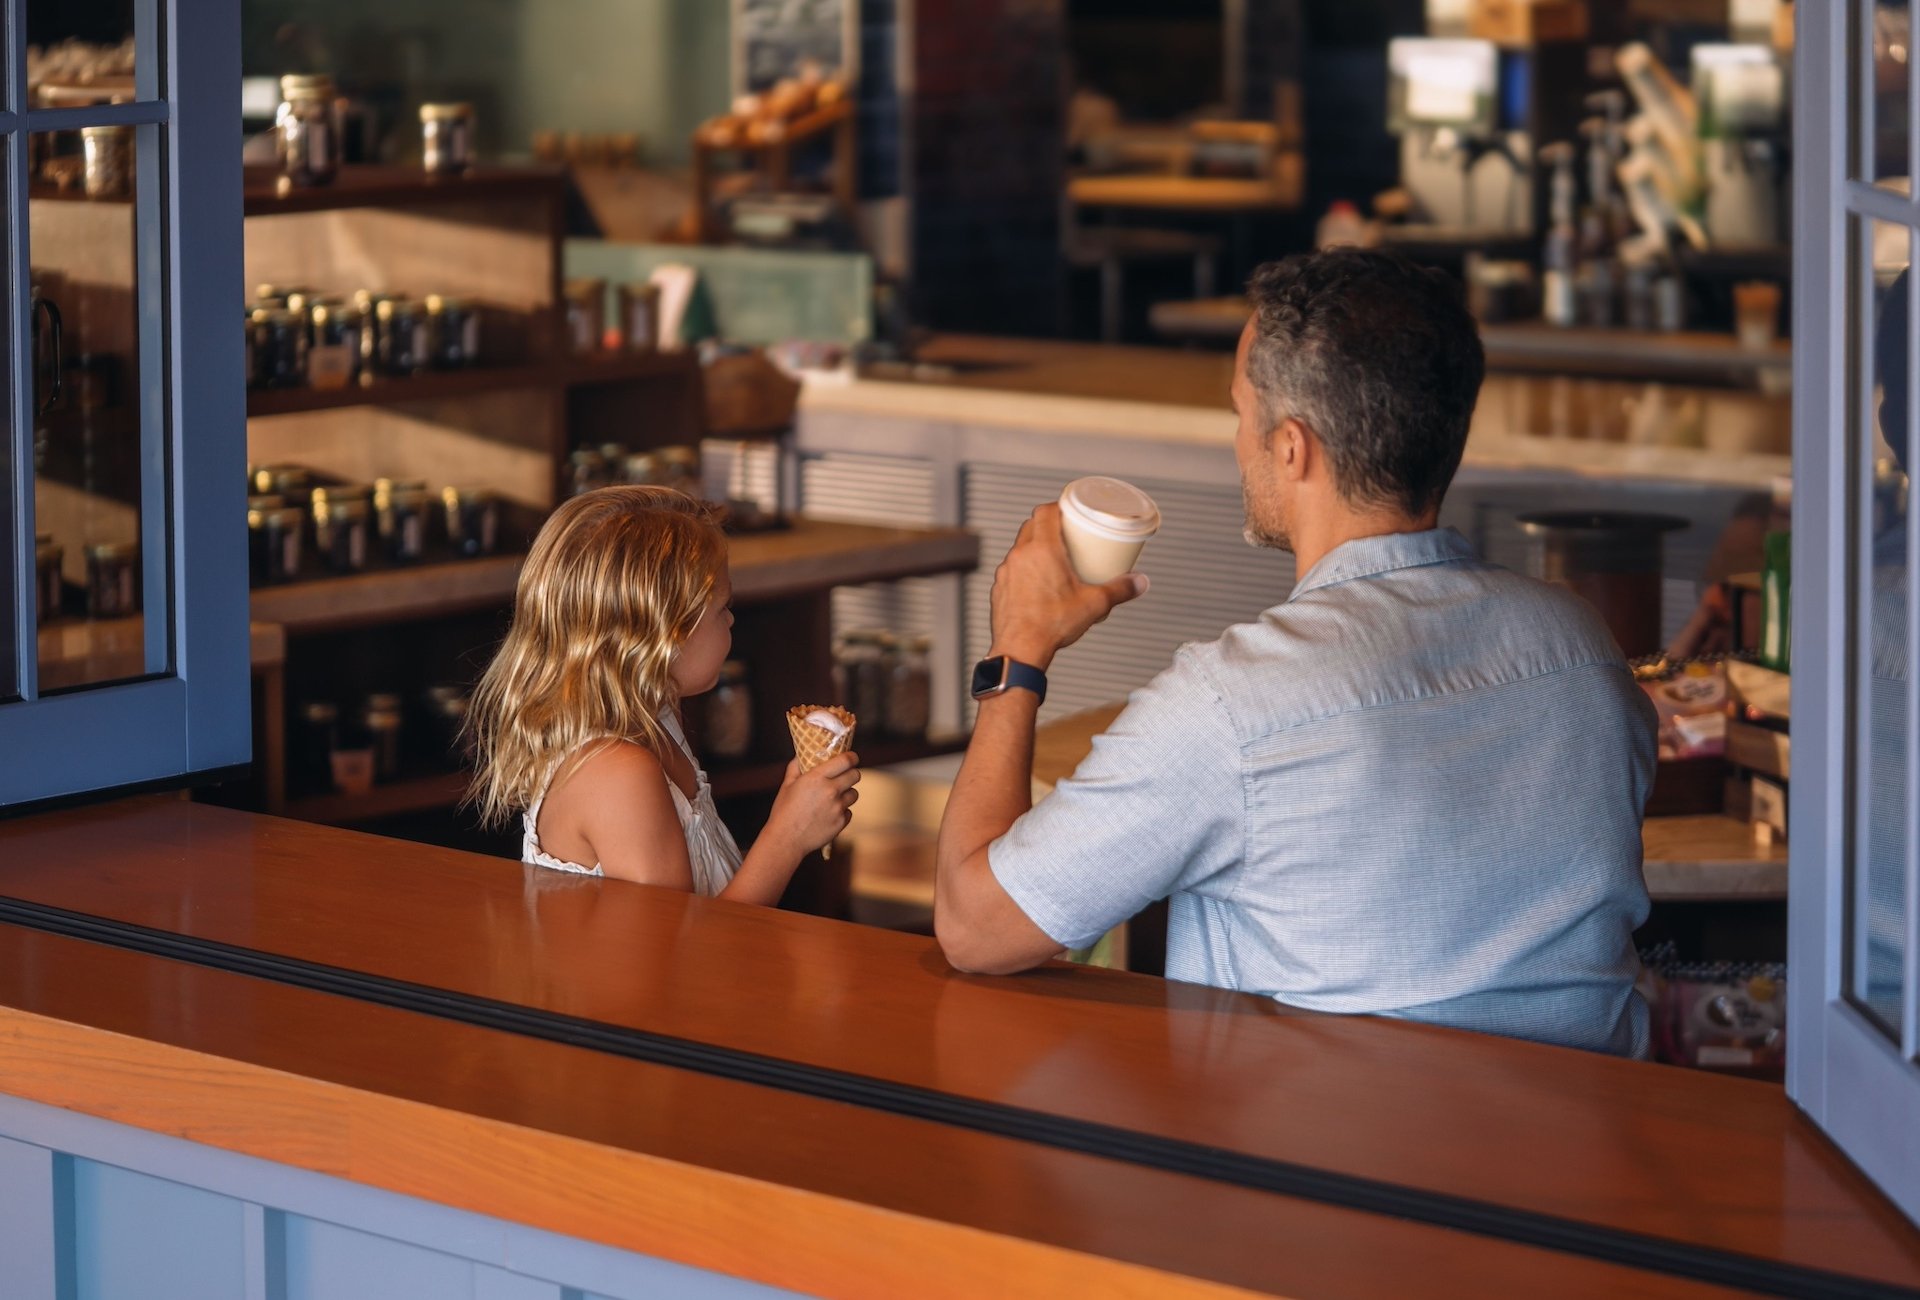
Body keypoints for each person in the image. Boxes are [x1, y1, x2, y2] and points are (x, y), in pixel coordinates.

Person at [935, 248, 1659, 1057]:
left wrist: (1018, 656)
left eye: (1241, 413)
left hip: (1324, 1173)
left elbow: (975, 927)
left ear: (1291, 447)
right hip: (1581, 1159)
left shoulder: (1234, 704)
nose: (1235, 440)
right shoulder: (1584, 647)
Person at [466, 486, 860, 903]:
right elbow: (679, 959)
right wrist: (787, 838)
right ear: (659, 637)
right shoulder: (616, 772)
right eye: (721, 607)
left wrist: (791, 810)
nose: (730, 619)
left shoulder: (656, 720)